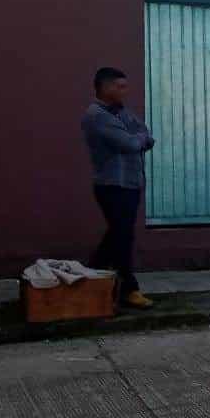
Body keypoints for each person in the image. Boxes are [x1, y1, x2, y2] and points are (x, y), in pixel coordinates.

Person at [81, 67, 155, 309]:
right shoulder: (97, 115)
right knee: (121, 237)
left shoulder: (121, 112)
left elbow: (145, 133)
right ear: (105, 87)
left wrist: (140, 138)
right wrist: (139, 138)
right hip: (113, 185)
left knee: (117, 236)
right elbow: (131, 143)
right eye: (120, 86)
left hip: (130, 184)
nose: (125, 91)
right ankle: (129, 290)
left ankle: (89, 279)